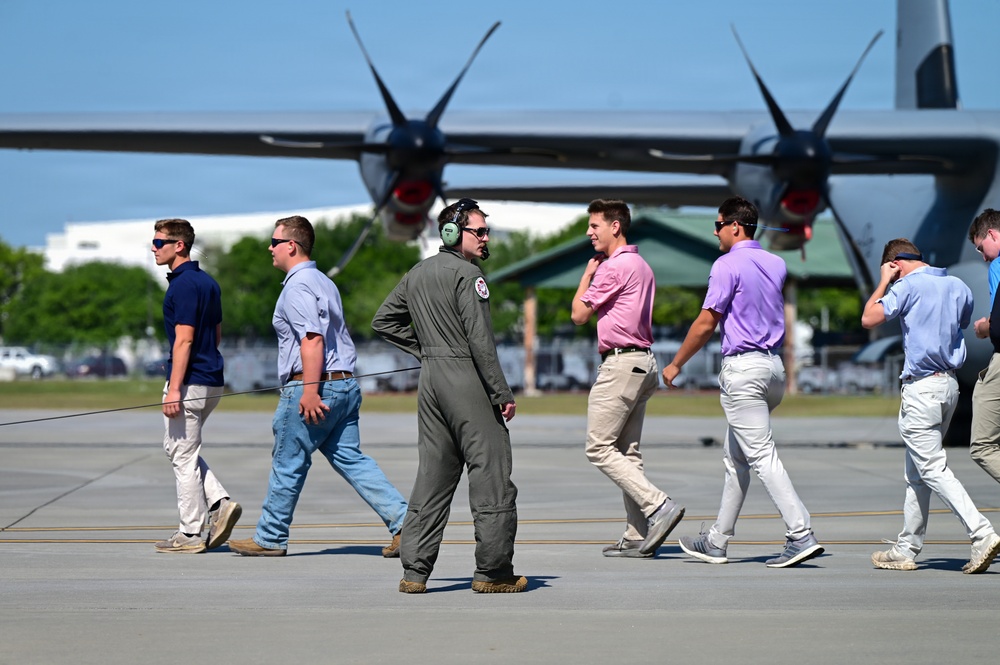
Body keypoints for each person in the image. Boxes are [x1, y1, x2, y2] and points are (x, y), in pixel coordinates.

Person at [228, 216, 407, 557]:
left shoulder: (297, 287)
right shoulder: (324, 281)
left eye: (274, 242)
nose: (270, 247)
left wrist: (310, 391)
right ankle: (405, 522)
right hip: (345, 385)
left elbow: (312, 340)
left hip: (315, 386)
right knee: (352, 459)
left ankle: (270, 537)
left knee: (288, 461)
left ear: (291, 246)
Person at [372, 198, 525, 594]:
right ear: (453, 232)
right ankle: (493, 572)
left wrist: (427, 351)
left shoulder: (417, 272)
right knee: (491, 474)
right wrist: (501, 391)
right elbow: (480, 340)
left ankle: (414, 572)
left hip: (431, 384)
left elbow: (384, 320)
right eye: (480, 231)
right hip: (466, 382)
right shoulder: (468, 275)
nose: (486, 237)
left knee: (433, 475)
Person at [666, 197, 823, 568]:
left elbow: (706, 322)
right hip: (773, 369)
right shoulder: (776, 263)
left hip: (744, 371)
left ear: (735, 226)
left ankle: (800, 533)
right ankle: (717, 540)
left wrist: (675, 364)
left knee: (761, 455)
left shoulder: (725, 265)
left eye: (718, 224)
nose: (715, 232)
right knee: (736, 457)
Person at [862, 238, 1000, 573]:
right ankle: (906, 547)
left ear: (896, 264)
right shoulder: (958, 286)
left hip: (922, 388)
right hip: (949, 386)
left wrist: (884, 281)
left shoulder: (905, 286)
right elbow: (963, 323)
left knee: (932, 468)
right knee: (917, 473)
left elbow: (869, 318)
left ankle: (981, 533)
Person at [570, 199, 684, 558]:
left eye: (595, 226)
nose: (589, 233)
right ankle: (637, 534)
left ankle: (659, 506)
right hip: (644, 362)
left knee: (598, 447)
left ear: (615, 226)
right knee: (626, 452)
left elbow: (578, 315)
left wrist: (587, 275)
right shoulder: (641, 265)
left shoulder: (613, 267)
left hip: (621, 365)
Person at [152, 218, 241, 554]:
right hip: (211, 380)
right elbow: (215, 335)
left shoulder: (183, 285)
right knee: (179, 450)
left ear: (180, 246)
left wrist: (175, 388)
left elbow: (184, 339)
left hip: (189, 382)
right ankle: (219, 503)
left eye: (159, 243)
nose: (153, 249)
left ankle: (190, 533)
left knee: (182, 455)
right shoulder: (208, 283)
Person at [967, 208, 1000, 485]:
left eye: (981, 248)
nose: (984, 256)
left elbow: (997, 322)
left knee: (983, 446)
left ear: (992, 234)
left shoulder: (997, 265)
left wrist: (983, 328)